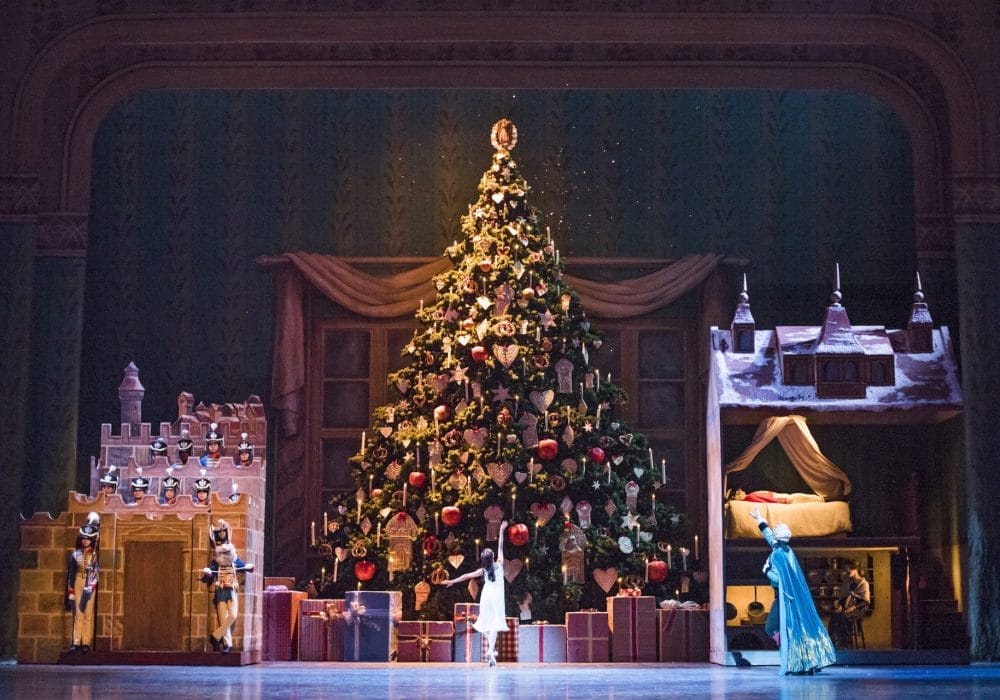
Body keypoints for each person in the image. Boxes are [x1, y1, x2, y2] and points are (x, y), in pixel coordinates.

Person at [749, 507, 836, 674]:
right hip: (792, 597)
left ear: (778, 537)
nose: (772, 537)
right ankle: (804, 660)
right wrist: (761, 522)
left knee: (774, 628)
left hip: (784, 599)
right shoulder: (786, 551)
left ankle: (791, 657)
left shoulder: (777, 555)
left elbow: (779, 579)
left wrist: (767, 570)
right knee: (797, 628)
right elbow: (771, 540)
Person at [443, 520, 509, 666]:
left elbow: (466, 575)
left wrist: (452, 581)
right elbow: (500, 546)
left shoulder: (483, 570)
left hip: (486, 597)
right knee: (495, 625)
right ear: (492, 558)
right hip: (497, 598)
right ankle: (491, 650)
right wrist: (502, 530)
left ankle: (491, 651)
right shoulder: (499, 564)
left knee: (487, 624)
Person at [201, 519, 254, 653]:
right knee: (223, 618)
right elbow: (209, 575)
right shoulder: (216, 563)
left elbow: (243, 566)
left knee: (232, 616)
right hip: (220, 592)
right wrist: (207, 573)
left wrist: (248, 567)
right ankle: (227, 645)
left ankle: (215, 636)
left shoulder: (234, 559)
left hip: (232, 591)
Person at [66, 512, 100, 652]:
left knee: (88, 614)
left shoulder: (95, 556)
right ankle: (76, 641)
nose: (85, 541)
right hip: (78, 582)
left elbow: (96, 573)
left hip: (90, 583)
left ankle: (86, 642)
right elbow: (71, 573)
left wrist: (91, 585)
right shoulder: (76, 555)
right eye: (83, 539)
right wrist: (71, 590)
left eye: (88, 539)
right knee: (78, 614)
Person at [827, 561, 871, 648]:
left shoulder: (864, 583)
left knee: (844, 617)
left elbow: (866, 601)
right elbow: (844, 597)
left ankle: (847, 643)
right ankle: (834, 642)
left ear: (855, 569)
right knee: (835, 616)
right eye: (846, 570)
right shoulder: (848, 583)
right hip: (847, 606)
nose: (847, 571)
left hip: (859, 608)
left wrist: (853, 607)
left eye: (849, 569)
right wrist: (840, 606)